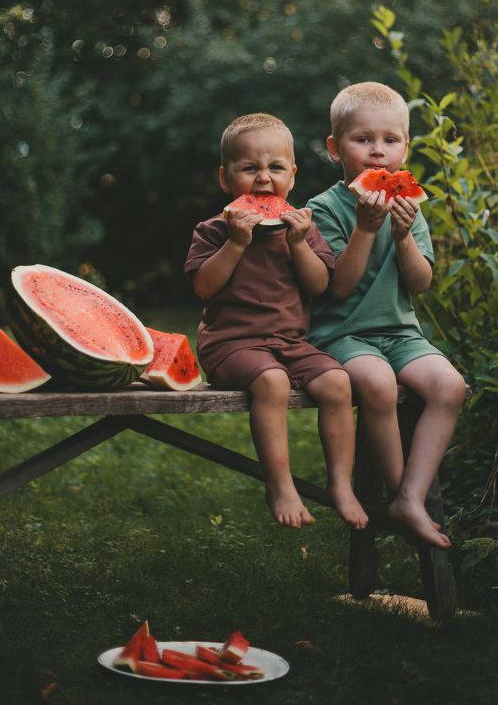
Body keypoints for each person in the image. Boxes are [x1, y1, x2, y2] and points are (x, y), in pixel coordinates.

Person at [185, 112, 368, 531]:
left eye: (275, 167)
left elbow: (320, 284)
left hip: (290, 345)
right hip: (231, 345)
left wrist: (300, 242)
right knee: (273, 383)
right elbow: (203, 288)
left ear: (293, 175)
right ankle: (280, 483)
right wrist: (235, 243)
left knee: (339, 383)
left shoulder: (302, 228)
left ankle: (341, 484)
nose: (264, 178)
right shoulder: (214, 230)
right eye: (249, 168)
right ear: (225, 179)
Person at [306, 83, 466, 549]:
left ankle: (409, 496)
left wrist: (401, 237)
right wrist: (365, 228)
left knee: (449, 386)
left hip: (400, 332)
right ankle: (404, 497)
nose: (378, 152)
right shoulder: (323, 209)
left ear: (406, 148)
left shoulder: (410, 207)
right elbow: (338, 287)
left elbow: (420, 283)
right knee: (376, 384)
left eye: (390, 140)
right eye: (362, 140)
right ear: (336, 149)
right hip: (342, 335)